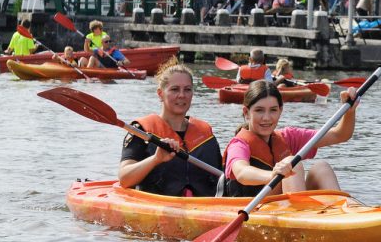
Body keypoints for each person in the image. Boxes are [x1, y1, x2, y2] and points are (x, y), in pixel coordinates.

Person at [221, 80, 356, 197]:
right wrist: (272, 175)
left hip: (281, 206)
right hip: (251, 208)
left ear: (280, 111)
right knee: (293, 163)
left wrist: (349, 112)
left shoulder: (287, 137)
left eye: (273, 110)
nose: (266, 117)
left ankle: (339, 216)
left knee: (322, 168)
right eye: (259, 110)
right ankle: (300, 218)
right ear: (247, 113)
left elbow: (340, 135)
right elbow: (242, 172)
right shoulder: (238, 144)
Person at [119, 62, 223, 196]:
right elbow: (124, 179)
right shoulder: (141, 131)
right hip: (157, 208)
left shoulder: (206, 134)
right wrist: (155, 159)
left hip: (203, 208)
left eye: (187, 89)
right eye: (174, 89)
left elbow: (222, 178)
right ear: (160, 94)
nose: (182, 95)